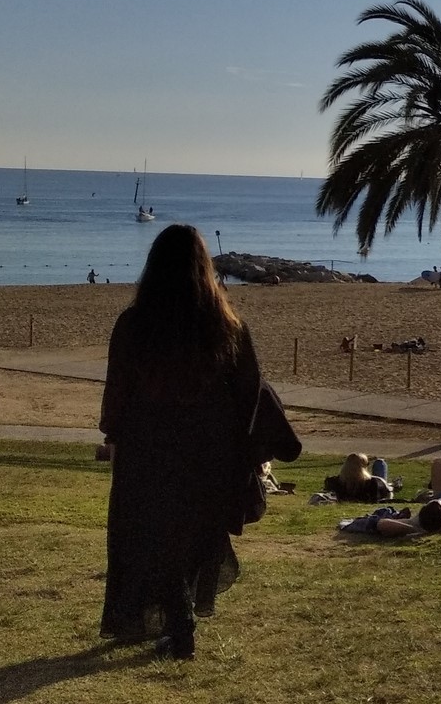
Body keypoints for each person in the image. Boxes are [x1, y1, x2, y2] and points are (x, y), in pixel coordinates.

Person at [99, 224, 299, 660]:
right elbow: (251, 390)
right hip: (208, 452)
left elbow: (118, 391)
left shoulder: (135, 324)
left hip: (147, 450)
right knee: (191, 536)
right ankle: (179, 621)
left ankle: (178, 623)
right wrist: (241, 450)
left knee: (151, 535)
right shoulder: (225, 326)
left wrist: (113, 434)